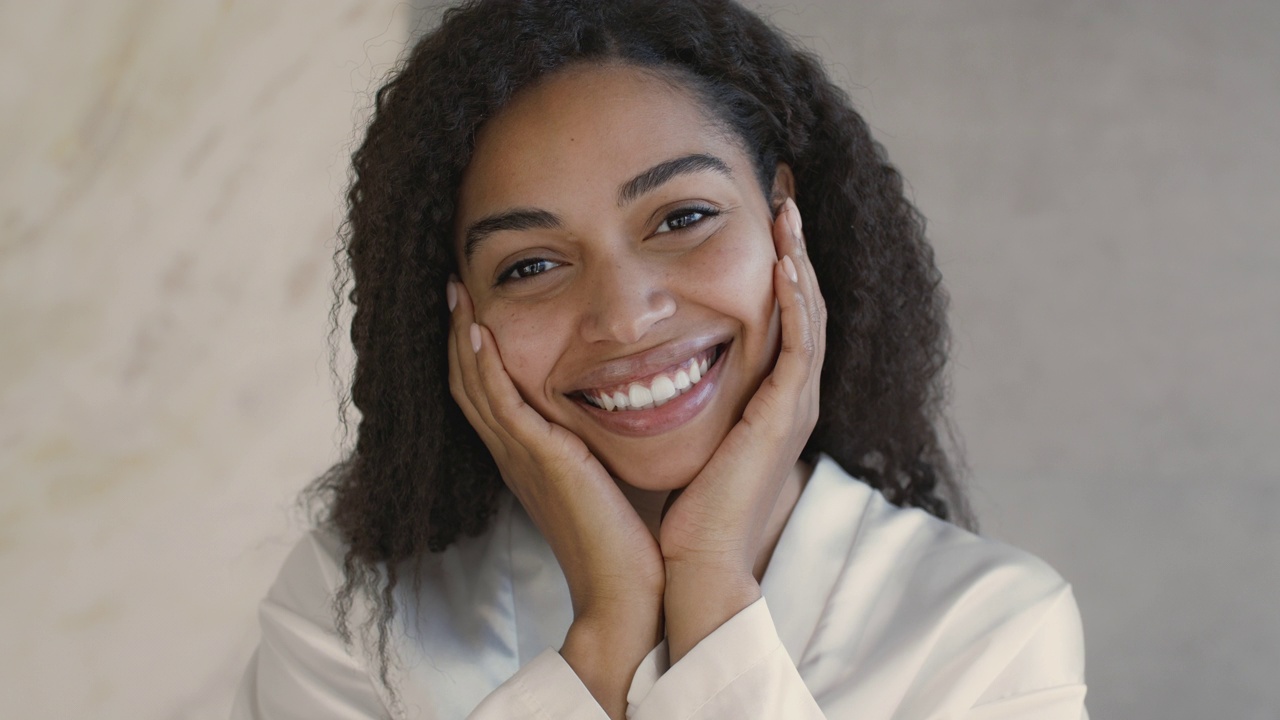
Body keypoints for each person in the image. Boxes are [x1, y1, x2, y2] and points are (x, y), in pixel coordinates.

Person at [232, 1, 1088, 718]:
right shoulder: (350, 611)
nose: (624, 316)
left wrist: (710, 582)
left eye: (682, 219)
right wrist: (608, 630)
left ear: (782, 219)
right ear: (458, 313)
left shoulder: (988, 630)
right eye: (530, 266)